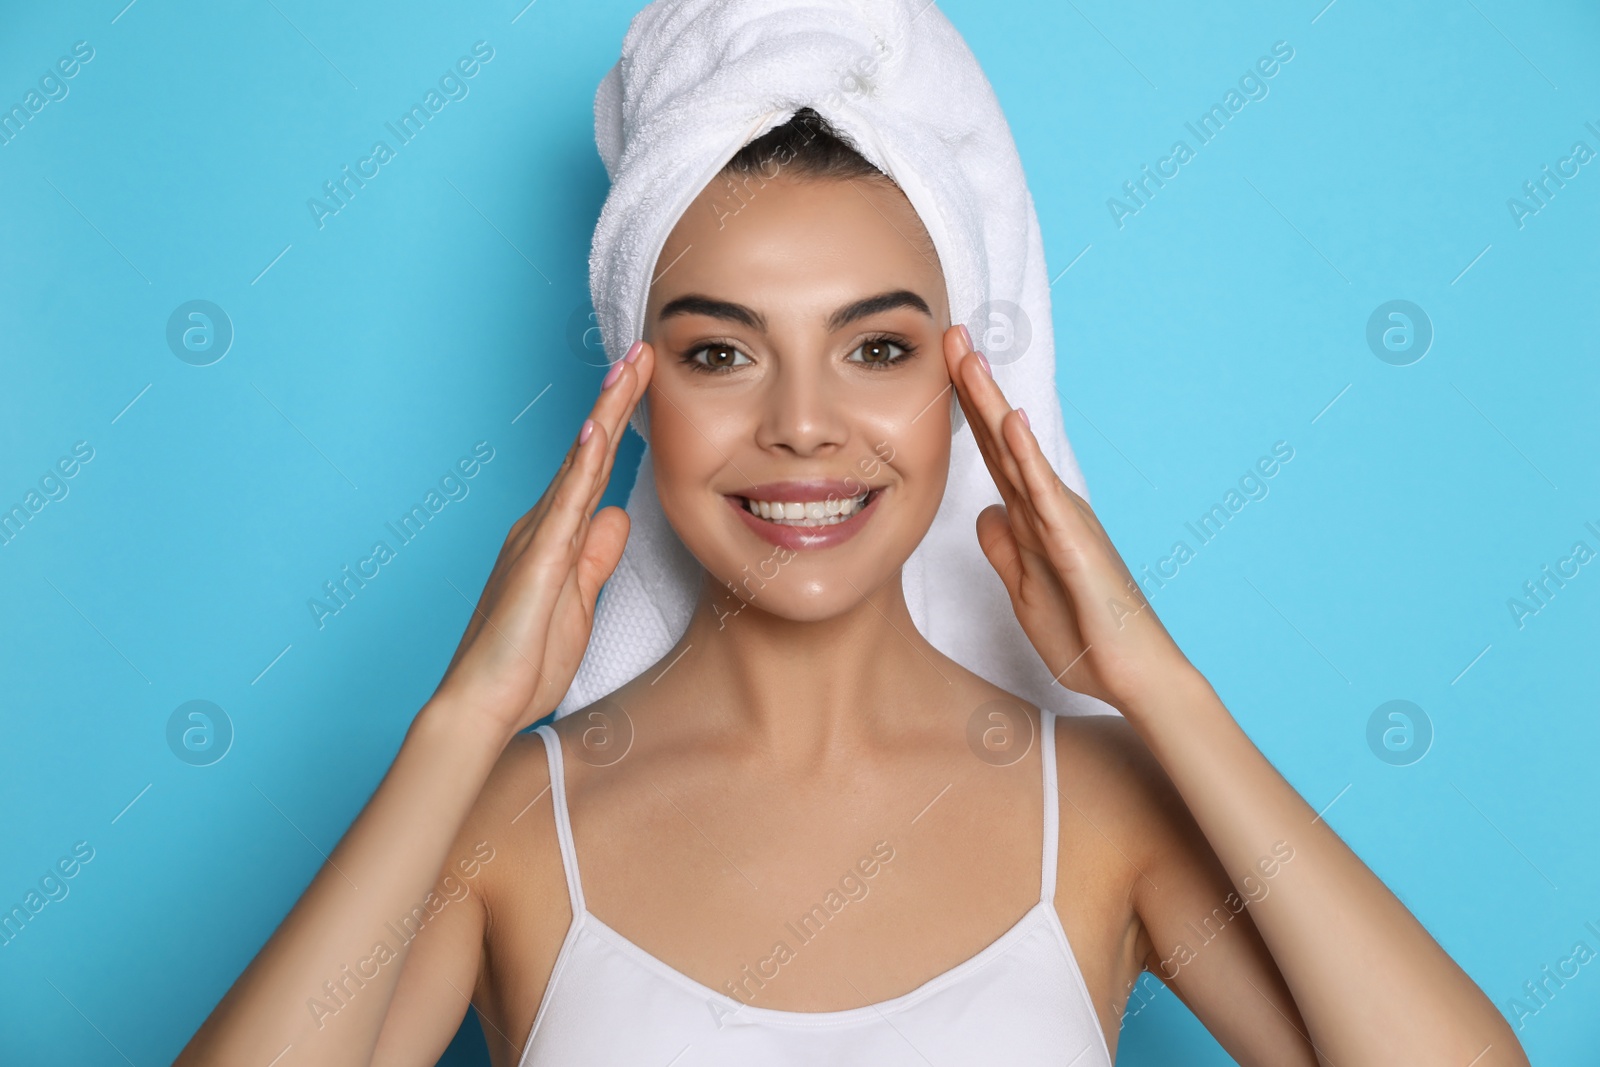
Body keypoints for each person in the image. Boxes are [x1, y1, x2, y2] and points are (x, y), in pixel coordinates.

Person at [175, 88, 1526, 1067]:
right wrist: (462, 722)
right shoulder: (507, 820)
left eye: (876, 350)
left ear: (962, 387)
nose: (805, 423)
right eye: (720, 353)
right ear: (633, 398)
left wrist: (1161, 687)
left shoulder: (1106, 807)